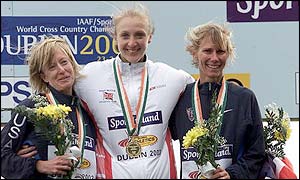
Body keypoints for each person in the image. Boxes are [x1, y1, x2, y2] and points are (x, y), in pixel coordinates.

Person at [74, 3, 194, 179]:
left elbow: (202, 100)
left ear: (150, 37)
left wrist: (235, 93)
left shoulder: (173, 78)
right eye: (125, 35)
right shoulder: (89, 77)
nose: (132, 43)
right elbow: (53, 99)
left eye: (139, 35)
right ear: (114, 37)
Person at [169, 22, 266, 179]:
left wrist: (232, 174)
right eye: (207, 51)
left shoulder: (244, 98)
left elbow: (257, 153)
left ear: (228, 54)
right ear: (194, 53)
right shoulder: (180, 97)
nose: (214, 58)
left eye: (220, 51)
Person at [1, 36, 98, 179]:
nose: (62, 70)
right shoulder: (31, 108)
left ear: (72, 64)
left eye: (64, 62)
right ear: (43, 76)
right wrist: (38, 165)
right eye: (52, 67)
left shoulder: (88, 109)